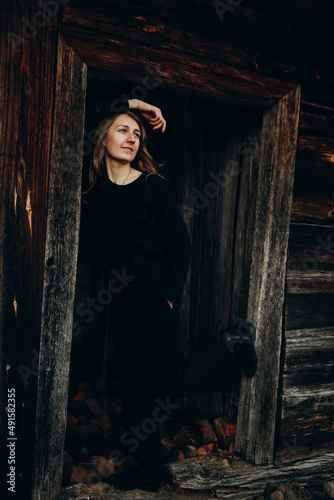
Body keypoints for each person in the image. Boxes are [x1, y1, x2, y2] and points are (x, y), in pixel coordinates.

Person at [77, 95, 257, 492]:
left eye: (137, 134)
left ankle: (231, 343)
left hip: (156, 295)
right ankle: (151, 469)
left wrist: (170, 296)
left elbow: (181, 244)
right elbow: (87, 107)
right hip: (119, 302)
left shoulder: (152, 186)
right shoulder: (94, 192)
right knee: (135, 389)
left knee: (168, 383)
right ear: (102, 136)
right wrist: (138, 104)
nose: (131, 138)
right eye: (122, 129)